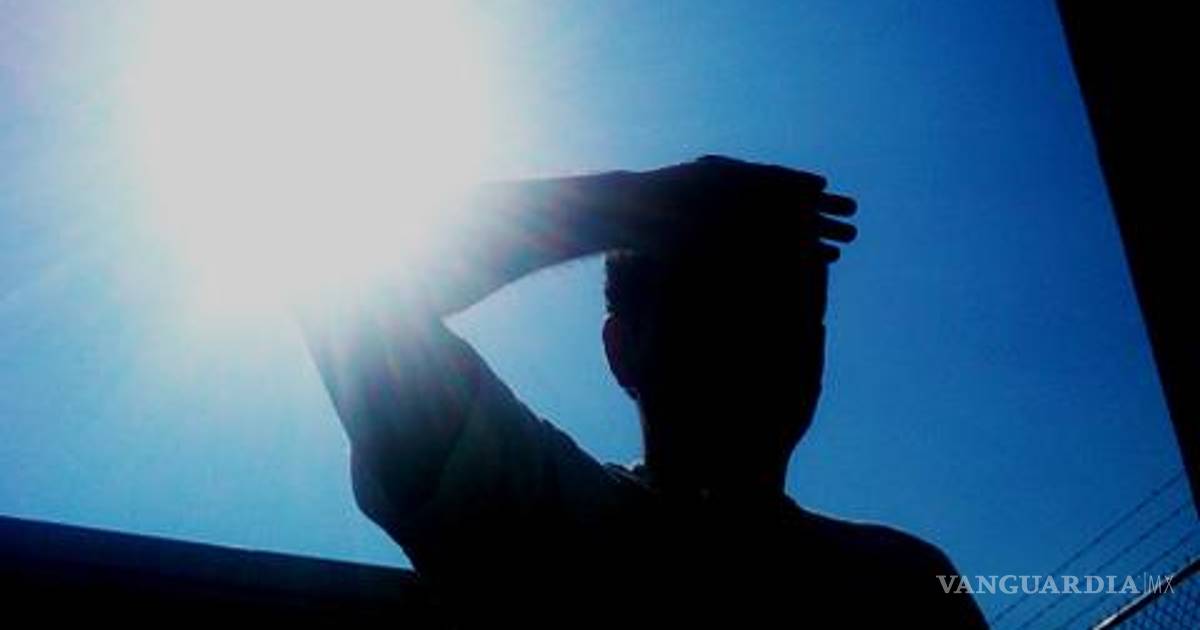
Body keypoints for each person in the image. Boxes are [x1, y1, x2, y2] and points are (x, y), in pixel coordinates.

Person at [297, 155, 988, 627]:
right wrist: (633, 201)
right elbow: (339, 282)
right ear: (622, 349)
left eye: (796, 317)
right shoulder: (552, 521)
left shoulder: (908, 580)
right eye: (720, 311)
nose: (766, 342)